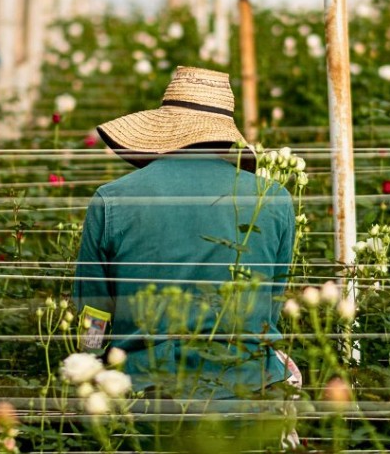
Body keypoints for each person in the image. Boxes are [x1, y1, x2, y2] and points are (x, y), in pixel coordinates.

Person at [72, 66, 297, 399]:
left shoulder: (112, 199)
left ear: (164, 127)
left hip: (144, 395)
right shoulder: (274, 198)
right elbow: (269, 308)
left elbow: (94, 312)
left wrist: (88, 366)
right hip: (247, 391)